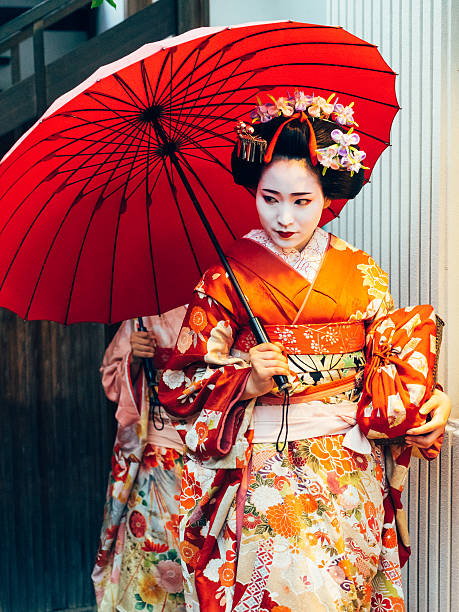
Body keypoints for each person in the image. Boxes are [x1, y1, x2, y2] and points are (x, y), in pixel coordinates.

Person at [158, 92, 451, 611]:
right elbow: (180, 383)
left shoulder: (360, 271)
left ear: (328, 197)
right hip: (264, 466)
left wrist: (431, 400)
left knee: (344, 595)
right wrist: (243, 381)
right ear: (253, 190)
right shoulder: (224, 279)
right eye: (269, 198)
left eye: (302, 201)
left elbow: (390, 360)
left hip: (349, 465)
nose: (285, 218)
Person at [92, 306, 187, 612]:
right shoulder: (144, 314)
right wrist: (133, 357)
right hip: (158, 452)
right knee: (154, 550)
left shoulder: (222, 304)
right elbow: (110, 379)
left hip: (211, 448)